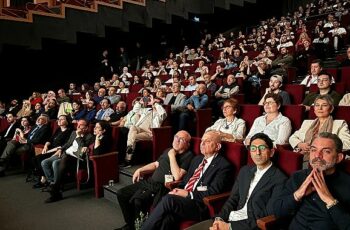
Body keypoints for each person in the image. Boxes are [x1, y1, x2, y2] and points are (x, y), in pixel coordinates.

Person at [187, 133, 287, 230]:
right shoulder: (245, 171)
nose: (257, 152)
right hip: (229, 219)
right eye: (253, 149)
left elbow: (266, 216)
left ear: (272, 152)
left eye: (262, 148)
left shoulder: (280, 179)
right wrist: (219, 219)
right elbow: (233, 199)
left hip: (246, 226)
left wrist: (229, 227)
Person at [141, 131, 234, 230]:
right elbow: (185, 182)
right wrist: (177, 190)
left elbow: (214, 191)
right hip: (183, 199)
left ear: (217, 146)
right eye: (202, 140)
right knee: (168, 219)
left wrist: (189, 194)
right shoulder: (197, 159)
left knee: (169, 199)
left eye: (207, 141)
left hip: (199, 204)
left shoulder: (224, 166)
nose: (202, 143)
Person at [115, 131, 193, 230]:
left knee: (138, 201)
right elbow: (156, 164)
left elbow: (177, 176)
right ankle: (131, 224)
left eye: (181, 139)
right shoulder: (168, 150)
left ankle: (138, 227)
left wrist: (172, 156)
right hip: (150, 181)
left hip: (161, 187)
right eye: (176, 136)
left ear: (187, 144)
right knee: (121, 193)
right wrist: (140, 169)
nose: (176, 140)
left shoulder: (188, 156)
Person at [274, 132, 350, 230]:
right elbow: (277, 211)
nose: (317, 155)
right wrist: (298, 195)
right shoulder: (297, 176)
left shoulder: (348, 183)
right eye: (313, 150)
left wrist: (330, 200)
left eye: (326, 151)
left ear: (338, 158)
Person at [290, 95, 350, 166]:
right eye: (317, 105)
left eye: (324, 105)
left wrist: (320, 148)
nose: (320, 108)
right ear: (314, 109)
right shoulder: (307, 123)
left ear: (331, 109)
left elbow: (347, 144)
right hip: (304, 156)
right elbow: (292, 137)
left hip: (326, 160)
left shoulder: (340, 124)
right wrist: (300, 144)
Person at [44, 119, 94, 203]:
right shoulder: (74, 132)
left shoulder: (90, 136)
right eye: (78, 124)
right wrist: (61, 149)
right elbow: (68, 144)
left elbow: (81, 150)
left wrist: (79, 136)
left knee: (60, 160)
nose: (78, 126)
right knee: (55, 161)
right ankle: (56, 187)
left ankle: (55, 187)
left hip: (78, 159)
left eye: (81, 125)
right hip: (68, 155)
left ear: (86, 127)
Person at [123, 95, 167, 168]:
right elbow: (135, 110)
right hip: (140, 129)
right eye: (153, 101)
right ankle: (129, 147)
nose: (153, 103)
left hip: (149, 133)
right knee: (133, 127)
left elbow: (163, 113)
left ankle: (128, 159)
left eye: (156, 102)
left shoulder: (161, 114)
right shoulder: (147, 110)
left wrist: (155, 103)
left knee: (132, 137)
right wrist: (140, 103)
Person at [33, 115, 73, 188]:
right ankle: (45, 177)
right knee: (35, 158)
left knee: (40, 158)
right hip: (51, 149)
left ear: (67, 122)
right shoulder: (58, 129)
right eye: (59, 119)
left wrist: (49, 151)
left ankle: (46, 179)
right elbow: (50, 139)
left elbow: (64, 145)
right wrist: (46, 146)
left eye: (62, 119)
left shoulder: (70, 131)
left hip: (58, 151)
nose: (59, 120)